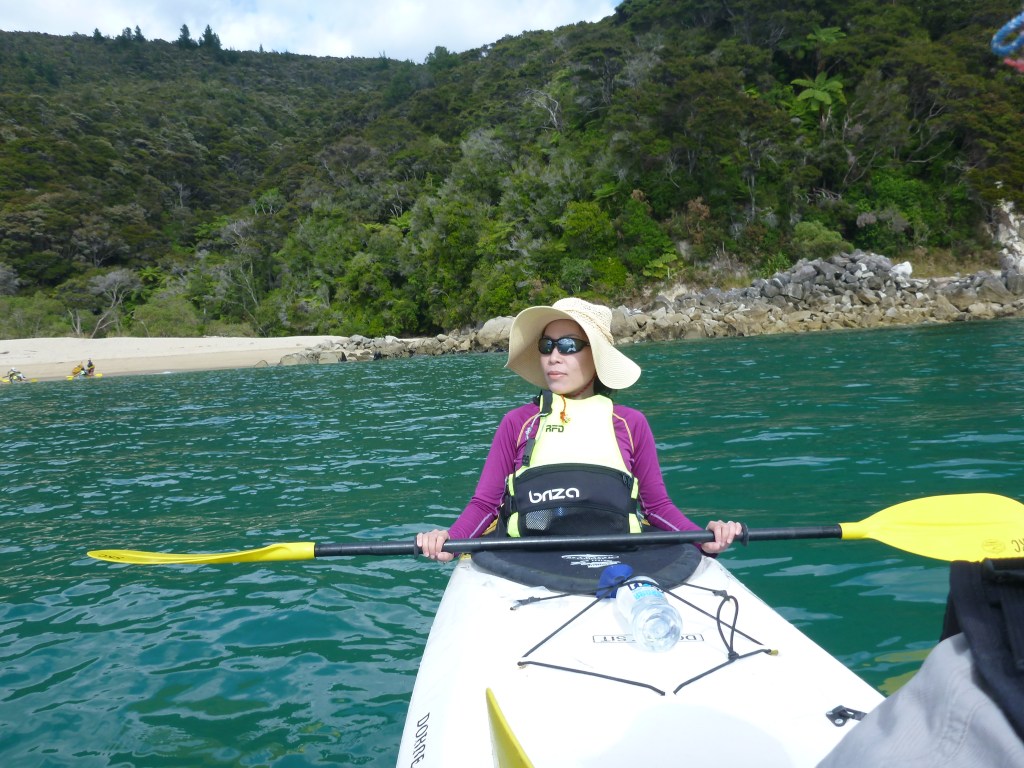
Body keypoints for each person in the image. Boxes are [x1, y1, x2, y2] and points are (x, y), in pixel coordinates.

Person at [416, 297, 743, 562]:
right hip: (526, 558)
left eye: (569, 345)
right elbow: (485, 505)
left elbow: (657, 508)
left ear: (596, 356)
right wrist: (450, 539)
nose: (554, 357)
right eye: (546, 346)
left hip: (617, 557)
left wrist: (702, 538)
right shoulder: (518, 423)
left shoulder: (630, 424)